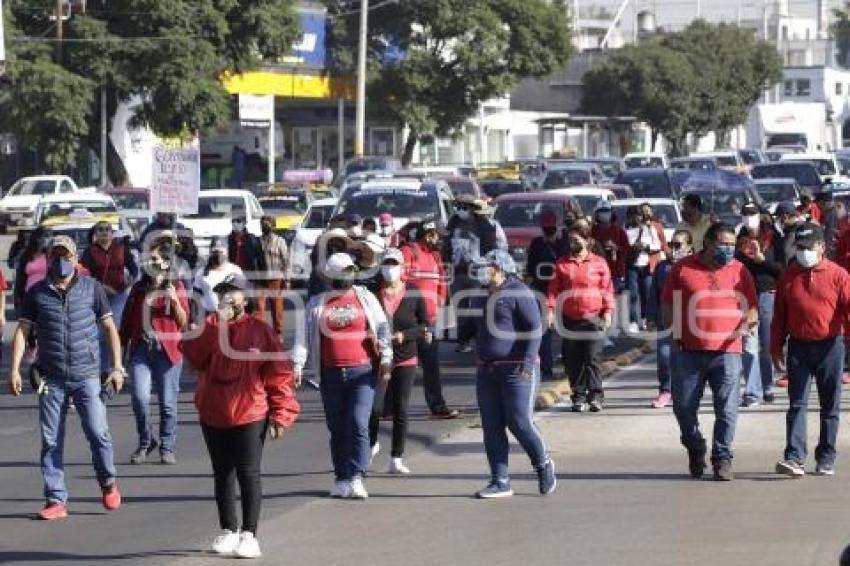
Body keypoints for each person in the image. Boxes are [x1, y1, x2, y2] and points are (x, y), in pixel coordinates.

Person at [6, 236, 125, 520]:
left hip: (87, 375)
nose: (61, 260)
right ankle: (55, 499)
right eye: (55, 255)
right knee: (50, 439)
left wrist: (117, 367)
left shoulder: (92, 288)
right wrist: (14, 369)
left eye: (66, 255)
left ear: (75, 258)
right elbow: (22, 332)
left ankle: (108, 482)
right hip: (51, 377)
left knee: (98, 432)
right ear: (47, 258)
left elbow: (109, 328)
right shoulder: (37, 293)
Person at [183, 275, 300, 559]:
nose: (228, 298)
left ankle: (250, 534)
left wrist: (282, 413)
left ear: (244, 299)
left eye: (233, 293)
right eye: (223, 293)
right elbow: (194, 357)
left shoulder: (260, 330)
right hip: (214, 411)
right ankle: (228, 530)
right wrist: (214, 325)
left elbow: (279, 373)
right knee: (222, 473)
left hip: (250, 411)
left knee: (248, 473)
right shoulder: (209, 327)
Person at [661, 222, 758, 481]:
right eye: (723, 244)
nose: (728, 250)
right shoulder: (683, 269)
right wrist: (675, 334)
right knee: (682, 407)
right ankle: (695, 446)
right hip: (689, 352)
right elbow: (669, 304)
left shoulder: (739, 271)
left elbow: (751, 308)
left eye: (731, 245)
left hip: (728, 352)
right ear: (707, 243)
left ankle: (722, 458)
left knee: (727, 409)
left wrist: (747, 325)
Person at [293, 253, 392, 500]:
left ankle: (358, 476)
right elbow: (303, 338)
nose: (348, 275)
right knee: (337, 429)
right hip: (330, 374)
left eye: (351, 270)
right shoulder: (316, 303)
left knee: (358, 423)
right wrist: (297, 365)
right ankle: (342, 477)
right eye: (343, 271)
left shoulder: (365, 298)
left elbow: (382, 328)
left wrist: (387, 358)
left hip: (363, 372)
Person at [458, 250, 556, 499]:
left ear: (499, 268)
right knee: (491, 426)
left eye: (484, 267)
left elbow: (535, 329)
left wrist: (526, 363)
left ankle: (543, 464)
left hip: (517, 368)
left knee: (519, 422)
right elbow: (470, 328)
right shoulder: (478, 296)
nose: (480, 271)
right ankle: (500, 480)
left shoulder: (518, 292)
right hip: (487, 370)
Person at [771, 223, 850, 478]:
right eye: (800, 247)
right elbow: (779, 315)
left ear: (822, 247)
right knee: (797, 404)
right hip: (798, 348)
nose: (804, 252)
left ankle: (826, 457)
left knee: (830, 406)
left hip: (830, 347)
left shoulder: (839, 275)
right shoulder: (789, 274)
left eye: (809, 247)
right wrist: (775, 346)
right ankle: (794, 457)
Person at [120, 245, 189, 465]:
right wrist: (118, 356)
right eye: (148, 259)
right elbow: (127, 322)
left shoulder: (176, 286)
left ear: (166, 263)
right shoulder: (139, 289)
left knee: (167, 404)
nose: (150, 263)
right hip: (142, 350)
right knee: (140, 398)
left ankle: (167, 446)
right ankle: (145, 442)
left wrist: (174, 300)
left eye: (155, 259)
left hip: (168, 353)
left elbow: (183, 322)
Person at [368, 248, 430, 474]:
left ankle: (396, 457)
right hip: (379, 358)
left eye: (394, 264)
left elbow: (424, 325)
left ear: (402, 267)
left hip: (405, 357)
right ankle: (371, 444)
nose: (390, 268)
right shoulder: (372, 293)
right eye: (386, 263)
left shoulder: (413, 293)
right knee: (374, 407)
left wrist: (405, 336)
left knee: (401, 408)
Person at [547, 224, 615, 412]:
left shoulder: (599, 263)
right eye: (570, 240)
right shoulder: (562, 264)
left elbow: (607, 289)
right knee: (573, 360)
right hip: (569, 319)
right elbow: (553, 290)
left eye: (576, 239)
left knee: (592, 358)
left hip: (594, 318)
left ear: (587, 241)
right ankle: (578, 396)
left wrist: (608, 311)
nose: (572, 243)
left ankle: (595, 396)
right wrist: (550, 312)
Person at [401, 220, 458, 419]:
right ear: (428, 234)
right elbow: (400, 282)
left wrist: (439, 305)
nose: (440, 239)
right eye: (437, 236)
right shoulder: (409, 252)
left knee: (431, 365)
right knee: (400, 365)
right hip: (409, 320)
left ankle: (437, 406)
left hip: (430, 321)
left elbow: (442, 283)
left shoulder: (435, 256)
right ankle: (387, 408)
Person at [445, 196, 508, 353]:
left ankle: (482, 339)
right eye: (459, 207)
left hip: (478, 272)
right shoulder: (454, 224)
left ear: (473, 209)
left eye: (465, 207)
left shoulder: (485, 225)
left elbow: (499, 247)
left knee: (478, 306)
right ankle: (463, 340)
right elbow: (446, 245)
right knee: (460, 308)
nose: (461, 210)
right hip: (457, 272)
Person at [735, 204, 782, 407]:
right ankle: (752, 392)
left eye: (752, 214)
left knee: (766, 344)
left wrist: (762, 260)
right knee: (749, 345)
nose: (748, 218)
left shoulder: (772, 237)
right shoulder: (738, 238)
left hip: (767, 294)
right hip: (745, 296)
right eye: (745, 214)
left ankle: (768, 386)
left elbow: (782, 268)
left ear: (760, 215)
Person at [81, 221, 139, 369]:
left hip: (119, 295)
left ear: (112, 233)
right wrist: (101, 287)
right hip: (97, 296)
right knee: (101, 333)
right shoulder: (90, 252)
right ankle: (103, 368)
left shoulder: (120, 248)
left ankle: (117, 365)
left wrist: (130, 280)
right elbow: (84, 274)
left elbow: (133, 267)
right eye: (100, 230)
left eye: (108, 230)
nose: (104, 232)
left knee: (116, 330)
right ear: (95, 234)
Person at [651, 229, 693, 409]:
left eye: (678, 245)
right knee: (664, 356)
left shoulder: (694, 266)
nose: (674, 249)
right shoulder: (662, 267)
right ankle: (665, 390)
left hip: (690, 321)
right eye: (671, 244)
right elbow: (654, 292)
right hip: (666, 319)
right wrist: (651, 315)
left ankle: (683, 391)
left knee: (686, 358)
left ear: (689, 247)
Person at [525, 211, 565, 382]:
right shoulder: (537, 244)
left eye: (551, 230)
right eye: (546, 230)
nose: (549, 233)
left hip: (563, 292)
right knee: (544, 332)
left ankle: (569, 364)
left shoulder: (564, 243)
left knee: (567, 330)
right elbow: (530, 268)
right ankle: (546, 369)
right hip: (542, 292)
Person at [626, 202, 669, 332]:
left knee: (647, 293)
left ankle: (645, 318)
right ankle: (633, 321)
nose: (637, 218)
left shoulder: (650, 228)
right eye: (634, 216)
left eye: (639, 215)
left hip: (647, 265)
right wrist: (632, 248)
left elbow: (658, 245)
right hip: (633, 266)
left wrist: (646, 247)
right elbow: (624, 247)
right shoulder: (626, 230)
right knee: (633, 294)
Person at [255, 216, 289, 336]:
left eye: (267, 223)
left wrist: (287, 279)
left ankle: (278, 333)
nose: (264, 226)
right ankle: (259, 334)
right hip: (260, 279)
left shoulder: (280, 241)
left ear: (273, 225)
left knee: (277, 307)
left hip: (276, 278)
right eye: (262, 224)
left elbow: (285, 261)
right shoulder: (257, 241)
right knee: (259, 307)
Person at [193, 237, 245, 315]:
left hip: (232, 314)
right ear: (210, 252)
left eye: (221, 252)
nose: (218, 255)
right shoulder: (201, 273)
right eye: (216, 252)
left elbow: (244, 295)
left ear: (226, 252)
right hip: (209, 316)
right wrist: (194, 320)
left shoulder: (235, 270)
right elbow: (195, 299)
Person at [591, 200, 630, 293]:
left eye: (606, 211)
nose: (604, 214)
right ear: (597, 214)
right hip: (597, 271)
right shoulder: (592, 231)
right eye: (601, 211)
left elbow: (627, 250)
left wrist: (615, 248)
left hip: (616, 272)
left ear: (611, 213)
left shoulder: (619, 230)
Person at [13, 226, 52, 314]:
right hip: (29, 295)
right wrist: (19, 299)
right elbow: (20, 279)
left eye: (48, 237)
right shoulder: (25, 255)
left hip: (46, 295)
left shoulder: (50, 255)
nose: (45, 240)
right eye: (43, 236)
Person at [228, 216, 267, 280]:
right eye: (233, 221)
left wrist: (263, 280)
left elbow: (261, 262)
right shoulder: (228, 240)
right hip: (233, 278)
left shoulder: (253, 240)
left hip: (249, 277)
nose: (235, 224)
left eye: (238, 221)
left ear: (244, 223)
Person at [775, 201, 804, 265]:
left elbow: (786, 251)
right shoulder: (786, 230)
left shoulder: (798, 230)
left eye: (779, 216)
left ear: (785, 216)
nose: (778, 219)